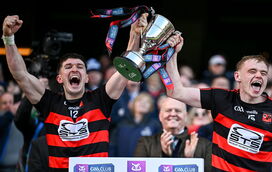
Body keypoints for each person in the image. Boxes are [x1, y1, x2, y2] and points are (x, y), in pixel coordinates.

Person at [2, 13, 148, 171]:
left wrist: (135, 34)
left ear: (86, 78)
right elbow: (20, 74)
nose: (74, 69)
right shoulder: (49, 102)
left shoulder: (100, 99)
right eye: (68, 67)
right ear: (59, 78)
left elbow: (125, 68)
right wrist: (8, 38)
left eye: (79, 67)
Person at [164, 34, 272, 171]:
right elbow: (175, 91)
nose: (259, 75)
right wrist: (172, 53)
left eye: (263, 73)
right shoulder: (221, 98)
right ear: (237, 76)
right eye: (252, 71)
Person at [134, 96, 212, 171]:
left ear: (186, 116)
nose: (173, 114)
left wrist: (190, 161)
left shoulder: (205, 145)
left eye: (178, 110)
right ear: (160, 116)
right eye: (168, 110)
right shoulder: (145, 143)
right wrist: (164, 155)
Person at [109, 92, 161, 157]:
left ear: (151, 107)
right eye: (140, 100)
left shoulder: (155, 125)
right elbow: (112, 146)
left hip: (146, 165)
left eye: (147, 102)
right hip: (121, 164)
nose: (143, 103)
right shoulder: (121, 124)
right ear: (133, 104)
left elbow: (157, 149)